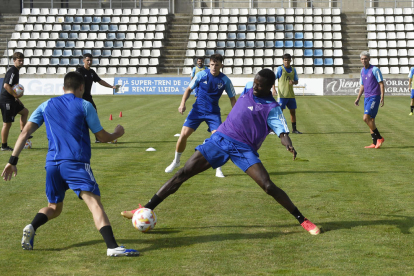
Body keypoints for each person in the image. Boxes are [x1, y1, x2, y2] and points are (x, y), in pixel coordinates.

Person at [122, 69, 320, 236]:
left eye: (259, 85)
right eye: (255, 83)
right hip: (221, 139)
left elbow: (282, 131)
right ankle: (145, 208)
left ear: (269, 87)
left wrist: (288, 144)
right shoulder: (248, 90)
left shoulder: (273, 108)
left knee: (268, 186)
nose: (255, 86)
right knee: (183, 174)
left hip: (244, 149)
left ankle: (302, 220)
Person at [1, 72, 138, 257]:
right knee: (94, 203)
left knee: (54, 208)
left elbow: (24, 132)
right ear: (81, 87)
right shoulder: (84, 105)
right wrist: (116, 134)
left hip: (52, 165)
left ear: (63, 87)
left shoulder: (46, 104)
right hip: (75, 163)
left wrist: (12, 161)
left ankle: (32, 226)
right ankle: (112, 247)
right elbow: (101, 136)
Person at [165, 54, 237, 178]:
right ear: (209, 64)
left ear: (221, 65)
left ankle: (218, 169)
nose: (214, 67)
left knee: (218, 140)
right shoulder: (201, 75)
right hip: (197, 111)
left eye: (217, 65)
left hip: (213, 113)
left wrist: (236, 115)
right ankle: (176, 162)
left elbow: (232, 98)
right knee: (183, 135)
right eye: (212, 64)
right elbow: (188, 89)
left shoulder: (225, 80)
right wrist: (182, 104)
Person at [76, 53, 117, 143]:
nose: (89, 62)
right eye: (88, 60)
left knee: (94, 118)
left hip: (88, 98)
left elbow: (100, 81)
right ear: (83, 60)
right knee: (79, 119)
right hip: (79, 98)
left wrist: (111, 87)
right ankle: (77, 138)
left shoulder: (91, 72)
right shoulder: (79, 71)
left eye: (91, 60)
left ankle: (98, 138)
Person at [0, 52, 30, 151]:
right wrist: (15, 95)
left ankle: (23, 133)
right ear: (14, 61)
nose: (21, 62)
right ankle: (4, 146)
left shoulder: (16, 71)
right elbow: (6, 85)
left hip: (12, 99)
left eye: (22, 60)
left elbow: (12, 86)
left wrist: (16, 99)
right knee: (7, 124)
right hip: (6, 100)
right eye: (19, 60)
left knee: (25, 112)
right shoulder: (12, 71)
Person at [355, 51, 385, 149]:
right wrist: (358, 97)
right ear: (360, 60)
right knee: (371, 120)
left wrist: (382, 97)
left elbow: (381, 83)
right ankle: (374, 142)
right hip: (366, 97)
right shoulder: (362, 71)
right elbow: (362, 85)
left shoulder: (375, 69)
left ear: (369, 59)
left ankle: (379, 138)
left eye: (365, 58)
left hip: (374, 97)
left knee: (365, 118)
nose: (364, 60)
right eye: (362, 59)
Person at [272, 53, 302, 134]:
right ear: (283, 61)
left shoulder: (293, 70)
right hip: (282, 95)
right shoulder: (280, 69)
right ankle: (276, 129)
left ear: (290, 61)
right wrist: (273, 89)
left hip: (291, 95)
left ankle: (294, 129)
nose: (287, 62)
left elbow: (296, 81)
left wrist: (294, 82)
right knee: (279, 113)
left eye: (288, 60)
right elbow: (273, 79)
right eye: (285, 60)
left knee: (293, 112)